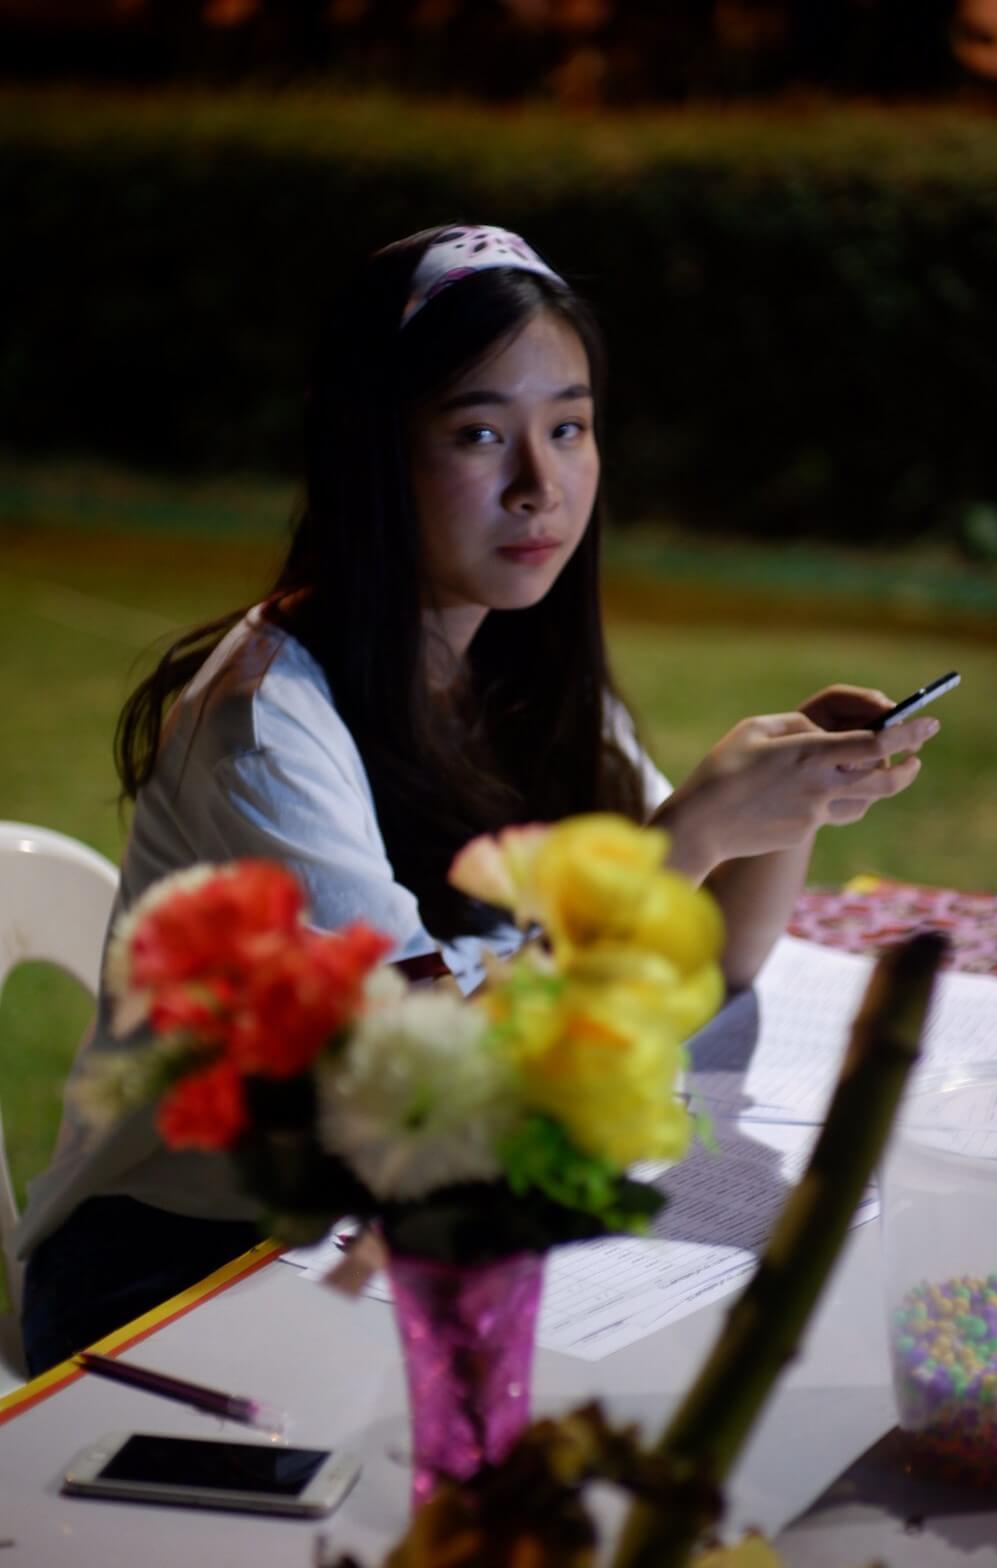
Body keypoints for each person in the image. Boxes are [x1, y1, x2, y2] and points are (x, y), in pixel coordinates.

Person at [17, 223, 939, 1374]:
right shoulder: (265, 724)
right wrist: (690, 833)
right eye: (479, 433)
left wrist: (786, 803)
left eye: (569, 427)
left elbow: (713, 962)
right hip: (193, 1271)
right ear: (371, 452)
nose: (539, 485)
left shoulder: (518, 664)